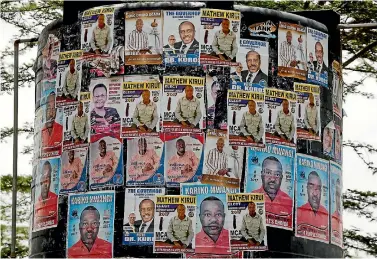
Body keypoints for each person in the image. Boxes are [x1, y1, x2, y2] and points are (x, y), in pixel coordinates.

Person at [34, 161, 58, 226]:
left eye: (48, 177)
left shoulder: (56, 199)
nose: (45, 181)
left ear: (50, 181)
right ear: (40, 179)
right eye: (43, 177)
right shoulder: (36, 203)